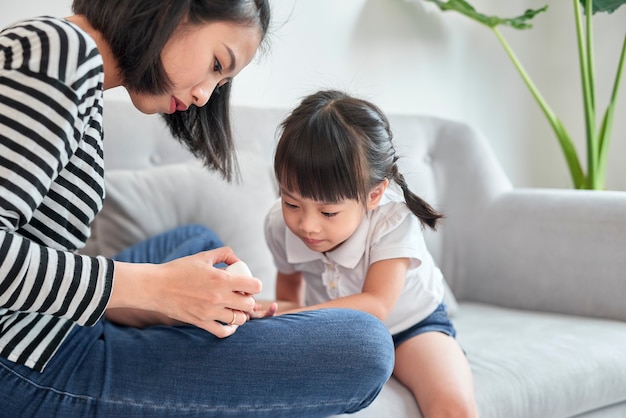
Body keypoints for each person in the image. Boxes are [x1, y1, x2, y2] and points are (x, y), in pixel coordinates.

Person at [0, 2, 395, 417]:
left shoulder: (74, 67)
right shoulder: (58, 52)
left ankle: (161, 320)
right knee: (364, 346)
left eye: (220, 83)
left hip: (47, 322)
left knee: (197, 243)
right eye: (216, 63)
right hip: (25, 365)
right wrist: (156, 288)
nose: (205, 94)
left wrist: (176, 292)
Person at [263, 90, 479, 417]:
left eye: (328, 213)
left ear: (374, 194)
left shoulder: (392, 219)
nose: (306, 225)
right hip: (339, 330)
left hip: (411, 327)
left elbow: (377, 304)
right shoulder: (279, 225)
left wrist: (292, 314)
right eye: (291, 203)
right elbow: (290, 291)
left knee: (454, 406)